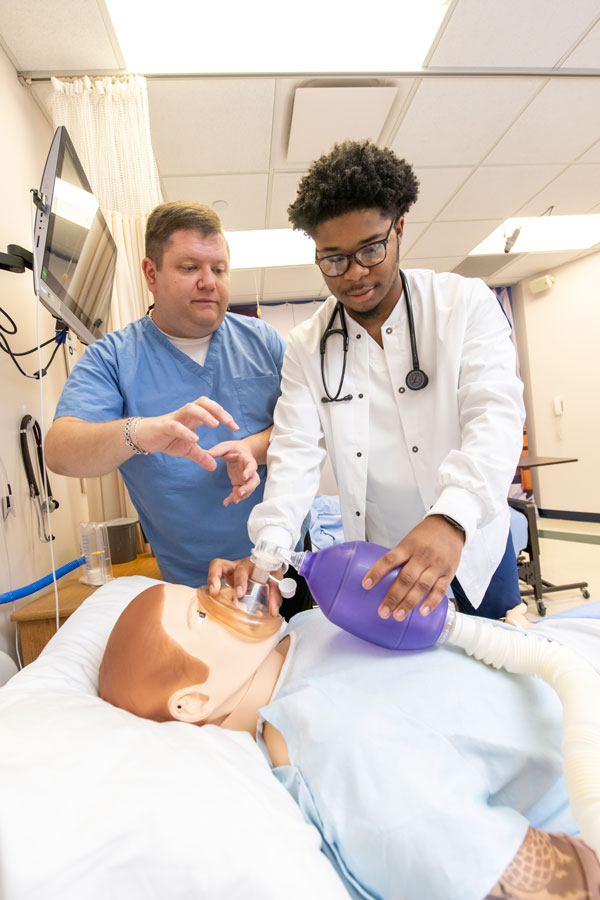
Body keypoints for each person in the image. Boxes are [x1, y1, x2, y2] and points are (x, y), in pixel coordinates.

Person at [99, 580, 600, 900]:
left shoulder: (306, 626)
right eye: (201, 615)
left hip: (569, 637)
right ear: (194, 702)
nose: (224, 594)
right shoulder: (332, 744)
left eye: (202, 592)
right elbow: (540, 885)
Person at [220, 140, 526, 622]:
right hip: (382, 559)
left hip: (469, 540)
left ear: (399, 228)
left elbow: (496, 417)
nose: (355, 274)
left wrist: (450, 517)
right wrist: (268, 555)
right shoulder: (307, 345)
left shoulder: (463, 305)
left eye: (371, 250)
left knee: (493, 667)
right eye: (334, 259)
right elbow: (295, 454)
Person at [44, 202, 286, 587]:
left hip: (280, 562)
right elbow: (59, 451)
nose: (209, 281)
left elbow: (306, 427)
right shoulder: (112, 358)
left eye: (219, 269)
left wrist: (251, 448)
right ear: (151, 273)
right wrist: (140, 432)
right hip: (194, 583)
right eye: (190, 268)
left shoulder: (263, 341)